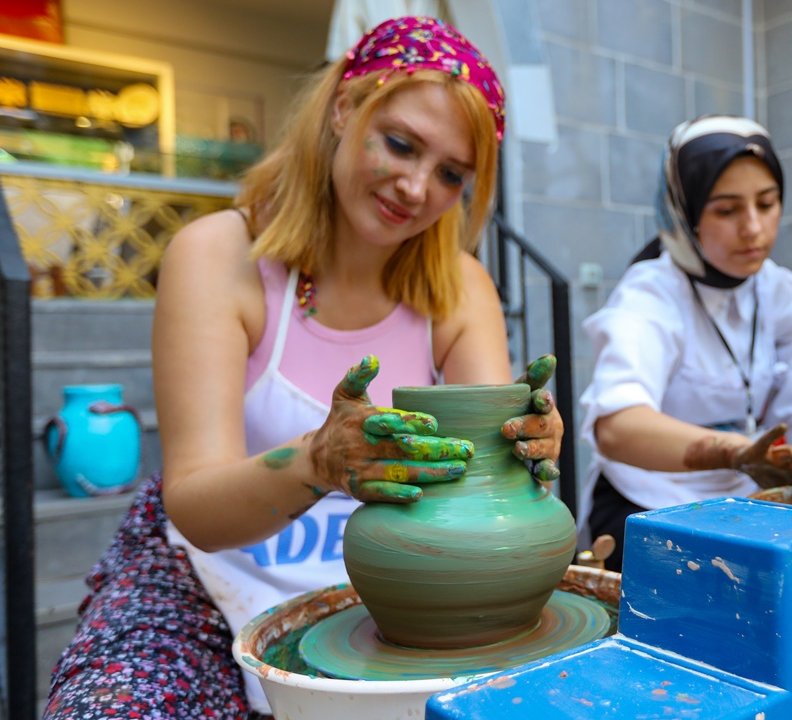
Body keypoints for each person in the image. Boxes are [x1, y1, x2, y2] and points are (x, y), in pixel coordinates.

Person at [44, 17, 563, 718]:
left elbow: (481, 485)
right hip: (208, 573)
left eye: (450, 174)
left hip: (392, 588)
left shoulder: (460, 288)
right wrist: (319, 460)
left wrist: (523, 453)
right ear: (345, 107)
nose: (416, 187)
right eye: (401, 144)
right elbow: (195, 508)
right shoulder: (220, 256)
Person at [579, 116, 792, 571]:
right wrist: (734, 452)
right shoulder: (651, 292)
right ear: (683, 212)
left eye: (767, 204)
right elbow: (618, 427)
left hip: (748, 503)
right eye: (726, 211)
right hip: (649, 503)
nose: (753, 228)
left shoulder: (782, 292)